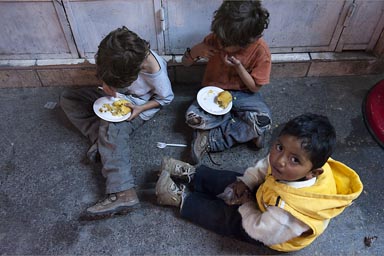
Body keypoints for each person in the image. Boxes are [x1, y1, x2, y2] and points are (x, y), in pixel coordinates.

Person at [155, 113, 363, 252]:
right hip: (270, 194)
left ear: (312, 173)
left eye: (294, 159)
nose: (280, 160)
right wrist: (246, 182)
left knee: (228, 218)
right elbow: (265, 167)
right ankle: (193, 175)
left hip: (272, 232)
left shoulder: (291, 213)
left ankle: (181, 198)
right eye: (279, 147)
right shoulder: (293, 168)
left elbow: (260, 230)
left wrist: (246, 205)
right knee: (233, 179)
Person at [60, 26, 174, 220]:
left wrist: (139, 109)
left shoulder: (156, 72)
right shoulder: (122, 53)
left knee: (112, 130)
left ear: (134, 71)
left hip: (136, 107)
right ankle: (101, 141)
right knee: (69, 98)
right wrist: (107, 85)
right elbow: (110, 71)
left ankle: (123, 192)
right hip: (120, 96)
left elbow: (166, 99)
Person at [182, 0, 272, 164]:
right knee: (191, 117)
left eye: (226, 44)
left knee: (263, 119)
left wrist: (239, 67)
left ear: (248, 41)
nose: (220, 44)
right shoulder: (216, 38)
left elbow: (254, 87)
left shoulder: (260, 51)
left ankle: (209, 138)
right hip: (212, 93)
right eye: (220, 40)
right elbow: (185, 63)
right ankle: (245, 131)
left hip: (243, 95)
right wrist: (197, 50)